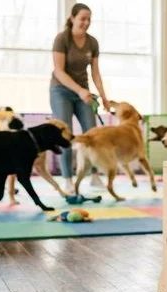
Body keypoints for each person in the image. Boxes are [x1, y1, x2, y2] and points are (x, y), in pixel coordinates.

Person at [50, 2, 109, 192]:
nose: (86, 22)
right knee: (65, 135)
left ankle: (94, 176)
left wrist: (103, 97)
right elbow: (58, 71)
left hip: (84, 93)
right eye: (83, 18)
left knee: (92, 134)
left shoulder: (93, 42)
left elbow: (96, 73)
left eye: (89, 19)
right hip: (61, 90)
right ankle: (67, 179)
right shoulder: (62, 39)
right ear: (73, 18)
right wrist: (79, 90)